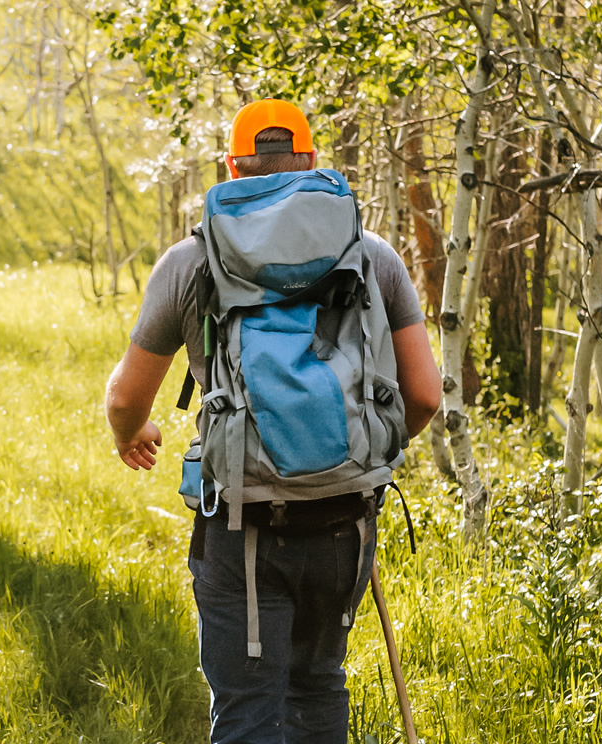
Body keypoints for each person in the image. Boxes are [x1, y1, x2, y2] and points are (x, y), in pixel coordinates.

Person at [105, 99, 441, 743]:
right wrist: (354, 452)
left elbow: (126, 400)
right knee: (318, 688)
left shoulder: (192, 261)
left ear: (232, 167)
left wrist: (131, 434)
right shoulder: (373, 255)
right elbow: (423, 397)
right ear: (312, 162)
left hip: (240, 521)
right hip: (345, 520)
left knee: (247, 712)